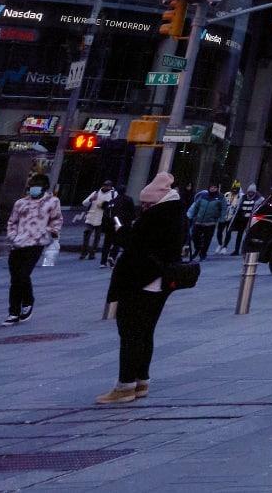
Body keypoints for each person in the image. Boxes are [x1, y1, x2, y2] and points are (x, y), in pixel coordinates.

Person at [100, 172, 189, 403]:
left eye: (147, 203)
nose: (145, 207)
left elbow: (135, 244)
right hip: (160, 282)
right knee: (145, 332)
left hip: (142, 279)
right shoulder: (176, 213)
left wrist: (121, 231)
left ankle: (125, 385)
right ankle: (141, 382)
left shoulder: (157, 216)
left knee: (130, 333)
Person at [4, 174, 64, 324]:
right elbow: (12, 221)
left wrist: (49, 231)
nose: (34, 189)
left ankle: (28, 301)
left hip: (36, 243)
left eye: (37, 186)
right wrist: (12, 236)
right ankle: (13, 312)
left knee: (23, 274)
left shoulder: (52, 202)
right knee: (15, 278)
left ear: (44, 187)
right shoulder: (20, 203)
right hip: (18, 244)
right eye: (32, 186)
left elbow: (57, 219)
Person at [184, 184, 223, 261]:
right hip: (198, 221)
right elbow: (194, 208)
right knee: (195, 236)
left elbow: (222, 209)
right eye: (211, 187)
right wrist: (189, 216)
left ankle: (203, 254)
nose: (212, 189)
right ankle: (198, 248)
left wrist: (221, 219)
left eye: (214, 187)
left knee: (207, 239)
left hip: (210, 222)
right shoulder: (201, 198)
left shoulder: (219, 198)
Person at [78, 184, 110, 260]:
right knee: (87, 235)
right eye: (105, 185)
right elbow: (84, 203)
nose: (106, 187)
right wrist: (91, 199)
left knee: (97, 237)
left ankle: (92, 253)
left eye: (108, 186)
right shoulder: (96, 192)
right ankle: (84, 252)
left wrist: (104, 206)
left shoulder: (113, 194)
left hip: (101, 218)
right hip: (91, 217)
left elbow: (113, 205)